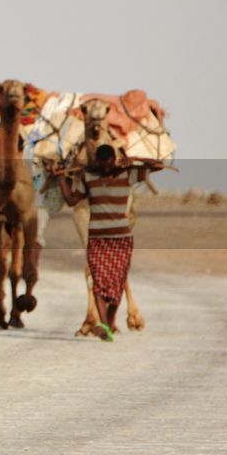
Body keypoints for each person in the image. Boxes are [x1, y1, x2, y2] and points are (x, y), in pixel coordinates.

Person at [56, 144, 159, 342]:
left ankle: (109, 322)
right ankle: (104, 325)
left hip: (121, 240)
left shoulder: (127, 175)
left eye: (109, 164)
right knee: (98, 283)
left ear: (114, 161)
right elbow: (71, 200)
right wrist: (61, 177)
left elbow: (156, 165)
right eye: (102, 164)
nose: (106, 168)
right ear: (98, 163)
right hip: (97, 239)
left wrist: (134, 159)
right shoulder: (88, 178)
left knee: (117, 285)